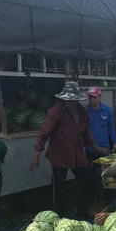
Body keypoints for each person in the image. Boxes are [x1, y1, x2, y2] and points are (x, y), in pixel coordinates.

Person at [29, 81, 108, 218]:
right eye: (67, 99)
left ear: (77, 98)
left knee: (87, 181)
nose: (70, 102)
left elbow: (86, 132)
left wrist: (95, 147)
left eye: (72, 99)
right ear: (63, 98)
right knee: (59, 188)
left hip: (78, 154)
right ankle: (60, 217)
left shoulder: (83, 111)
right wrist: (37, 154)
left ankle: (82, 211)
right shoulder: (55, 112)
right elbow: (44, 133)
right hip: (59, 155)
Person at [86, 85, 116, 200]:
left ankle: (109, 196)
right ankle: (93, 197)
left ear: (100, 97)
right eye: (90, 97)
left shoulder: (108, 111)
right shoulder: (85, 111)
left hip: (104, 147)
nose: (92, 100)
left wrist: (115, 142)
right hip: (89, 149)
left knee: (108, 173)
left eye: (95, 97)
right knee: (90, 174)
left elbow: (112, 128)